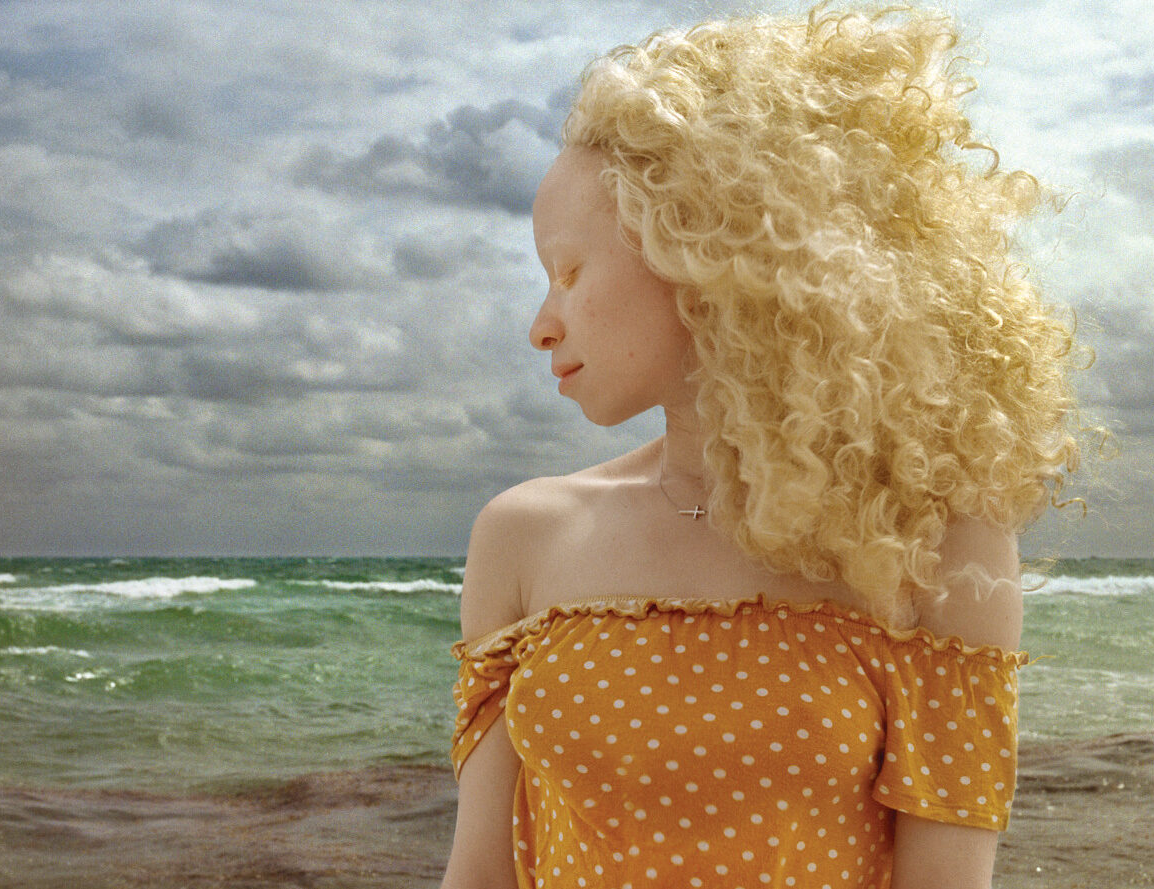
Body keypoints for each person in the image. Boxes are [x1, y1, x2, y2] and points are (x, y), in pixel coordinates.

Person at [440, 4, 1082, 887]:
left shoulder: (939, 546)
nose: (542, 324)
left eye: (570, 270)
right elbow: (479, 875)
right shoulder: (523, 536)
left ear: (708, 247)